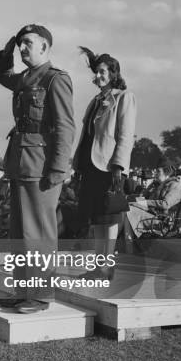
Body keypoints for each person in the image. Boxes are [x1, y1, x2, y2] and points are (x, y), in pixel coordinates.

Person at [0, 24, 75, 305]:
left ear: (45, 46)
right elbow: (5, 77)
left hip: (42, 166)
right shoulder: (26, 78)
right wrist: (5, 55)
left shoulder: (56, 79)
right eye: (20, 44)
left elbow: (66, 127)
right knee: (19, 233)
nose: (22, 48)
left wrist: (58, 168)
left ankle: (40, 296)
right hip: (20, 162)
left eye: (28, 43)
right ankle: (23, 293)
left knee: (38, 234)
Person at [72, 49, 136, 271]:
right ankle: (99, 266)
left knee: (109, 218)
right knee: (97, 218)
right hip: (91, 166)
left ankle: (106, 267)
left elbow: (125, 136)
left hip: (109, 166)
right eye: (96, 72)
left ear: (113, 73)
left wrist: (119, 166)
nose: (97, 76)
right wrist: (78, 163)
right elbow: (87, 135)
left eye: (102, 72)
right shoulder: (96, 100)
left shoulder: (124, 97)